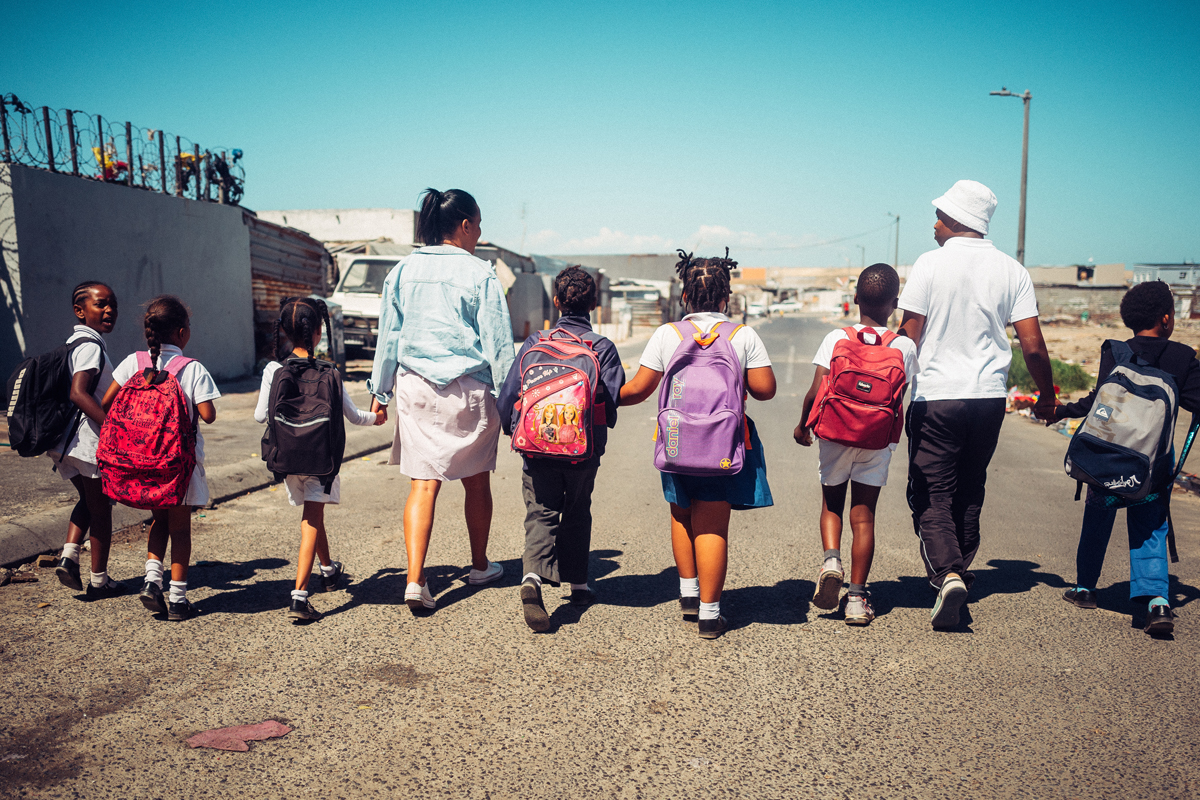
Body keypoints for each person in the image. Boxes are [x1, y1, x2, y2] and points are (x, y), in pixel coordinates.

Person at [898, 180, 1057, 629]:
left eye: (939, 216)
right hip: (988, 399)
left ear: (956, 219)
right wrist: (1047, 395)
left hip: (937, 398)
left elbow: (909, 335)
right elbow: (1033, 346)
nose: (934, 224)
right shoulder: (1012, 271)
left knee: (931, 492)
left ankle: (947, 574)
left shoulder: (929, 265)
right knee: (970, 488)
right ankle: (960, 572)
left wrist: (893, 395)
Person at [368, 188, 514, 612]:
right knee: (477, 480)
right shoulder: (481, 273)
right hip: (467, 391)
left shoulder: (401, 271)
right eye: (479, 224)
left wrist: (380, 393)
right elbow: (498, 344)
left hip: (415, 389)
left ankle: (416, 581)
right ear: (465, 225)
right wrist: (510, 402)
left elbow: (388, 339)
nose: (481, 232)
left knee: (423, 484)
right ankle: (480, 565)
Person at [620, 249, 776, 639]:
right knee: (712, 523)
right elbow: (765, 390)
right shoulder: (742, 336)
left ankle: (688, 594)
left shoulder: (667, 334)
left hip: (675, 442)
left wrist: (600, 399)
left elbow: (639, 389)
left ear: (684, 296)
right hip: (720, 445)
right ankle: (710, 613)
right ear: (726, 298)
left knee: (681, 513)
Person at [1054, 280, 1199, 634]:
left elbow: (1097, 399)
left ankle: (1085, 588)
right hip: (1152, 468)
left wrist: (1062, 409)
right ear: (1167, 319)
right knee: (1151, 526)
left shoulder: (1116, 351)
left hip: (1107, 461)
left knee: (1097, 518)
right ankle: (1157, 603)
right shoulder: (1183, 357)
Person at [498, 266, 625, 631]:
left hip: (536, 447)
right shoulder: (601, 348)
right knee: (577, 508)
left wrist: (515, 430)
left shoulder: (535, 342)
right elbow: (612, 400)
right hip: (583, 449)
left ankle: (532, 580)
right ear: (594, 304)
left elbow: (509, 395)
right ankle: (579, 585)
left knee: (540, 510)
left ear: (555, 301)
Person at [795, 264, 918, 625]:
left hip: (834, 432)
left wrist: (803, 426)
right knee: (863, 515)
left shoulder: (836, 338)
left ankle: (831, 561)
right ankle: (856, 598)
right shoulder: (904, 346)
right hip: (876, 440)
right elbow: (900, 399)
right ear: (894, 304)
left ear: (854, 299)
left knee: (831, 504)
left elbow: (817, 388)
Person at [255, 297, 387, 622]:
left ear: (285, 331)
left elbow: (261, 416)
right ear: (318, 332)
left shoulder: (274, 370)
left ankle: (328, 570)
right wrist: (378, 419)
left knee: (314, 514)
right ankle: (299, 597)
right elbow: (355, 418)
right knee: (311, 521)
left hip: (286, 457)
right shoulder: (330, 371)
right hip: (321, 460)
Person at [102, 296, 219, 620]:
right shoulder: (191, 368)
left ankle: (152, 581)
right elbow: (208, 415)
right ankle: (179, 599)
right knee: (180, 530)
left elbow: (109, 402)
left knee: (159, 521)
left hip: (142, 463)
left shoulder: (132, 363)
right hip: (178, 464)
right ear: (182, 332)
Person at [51, 281, 123, 599]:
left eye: (113, 305)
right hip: (87, 442)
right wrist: (111, 428)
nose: (109, 310)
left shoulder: (73, 344)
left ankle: (69, 555)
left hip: (66, 442)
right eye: (101, 304)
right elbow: (78, 393)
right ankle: (99, 580)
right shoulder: (90, 347)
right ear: (80, 311)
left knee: (90, 500)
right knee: (102, 507)